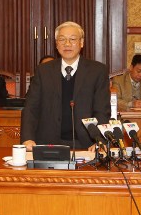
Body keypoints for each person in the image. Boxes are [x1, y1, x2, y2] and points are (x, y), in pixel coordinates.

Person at [20, 21, 110, 151]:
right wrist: (27, 138)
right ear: (56, 44)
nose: (67, 44)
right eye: (62, 39)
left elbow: (102, 110)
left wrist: (99, 140)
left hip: (86, 143)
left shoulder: (97, 71)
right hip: (48, 142)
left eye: (72, 39)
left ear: (81, 43)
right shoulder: (43, 71)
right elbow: (31, 108)